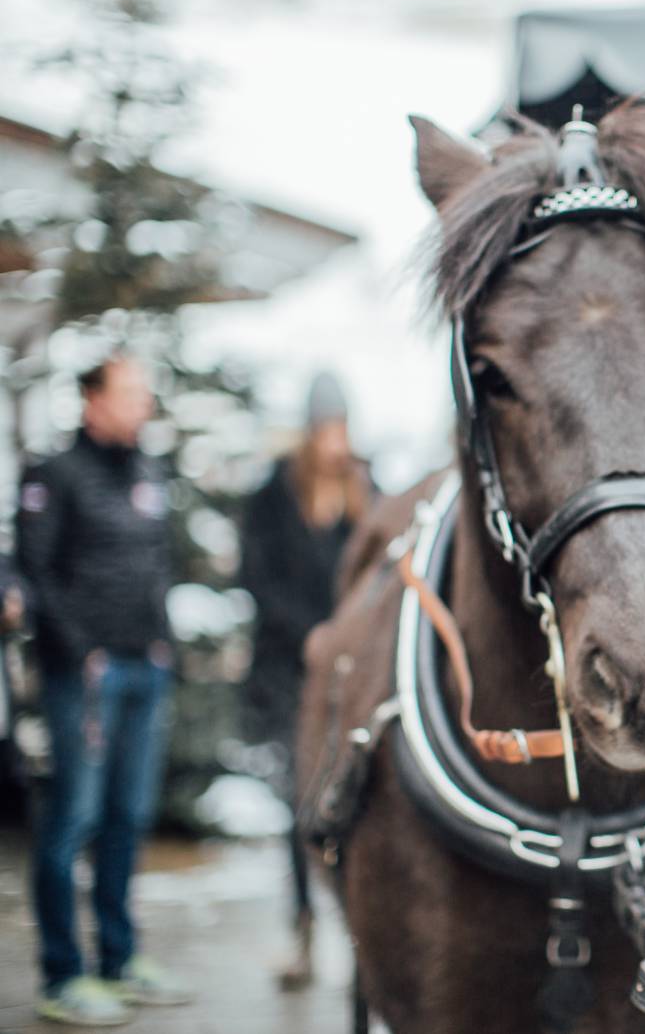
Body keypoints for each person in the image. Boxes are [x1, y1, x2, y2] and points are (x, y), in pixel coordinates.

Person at [16, 352, 191, 1026]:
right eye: (131, 391)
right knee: (72, 821)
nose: (144, 402)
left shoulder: (148, 470)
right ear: (93, 400)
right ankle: (63, 976)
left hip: (145, 668)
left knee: (126, 819)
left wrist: (161, 640)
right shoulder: (55, 474)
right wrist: (79, 651)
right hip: (85, 678)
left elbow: (157, 561)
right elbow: (35, 573)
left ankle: (120, 959)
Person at [239, 371, 369, 990]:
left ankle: (358, 930)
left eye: (341, 428)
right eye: (326, 429)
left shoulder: (365, 491)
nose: (335, 442)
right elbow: (259, 581)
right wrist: (310, 634)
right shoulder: (272, 496)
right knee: (301, 803)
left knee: (358, 806)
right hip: (288, 675)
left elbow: (379, 574)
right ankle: (302, 925)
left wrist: (345, 634)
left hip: (350, 674)